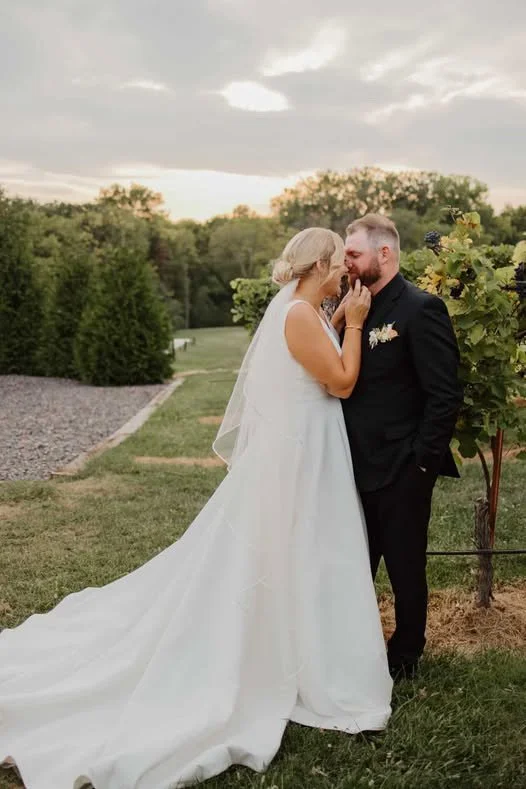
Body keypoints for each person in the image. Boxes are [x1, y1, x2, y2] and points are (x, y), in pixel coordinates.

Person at [0, 228, 392, 789]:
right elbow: (343, 382)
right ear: (320, 265)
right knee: (296, 553)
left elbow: (313, 364)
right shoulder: (301, 315)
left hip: (303, 453)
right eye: (338, 265)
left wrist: (337, 324)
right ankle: (299, 662)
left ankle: (306, 651)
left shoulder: (304, 313)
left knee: (302, 554)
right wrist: (353, 324)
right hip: (301, 460)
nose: (344, 276)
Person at [331, 214, 463, 681]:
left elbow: (444, 394)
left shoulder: (419, 308)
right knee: (352, 562)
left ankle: (406, 654)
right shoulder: (347, 306)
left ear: (384, 253)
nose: (345, 260)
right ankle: (353, 645)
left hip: (403, 467)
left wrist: (422, 462)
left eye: (353, 253)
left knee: (406, 567)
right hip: (349, 462)